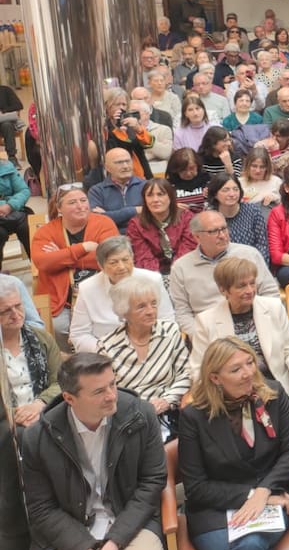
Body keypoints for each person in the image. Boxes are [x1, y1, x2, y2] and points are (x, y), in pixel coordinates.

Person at [20, 352, 166, 550]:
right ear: (69, 399)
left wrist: (115, 540)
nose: (112, 395)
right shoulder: (37, 439)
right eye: (99, 391)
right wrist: (84, 549)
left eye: (113, 383)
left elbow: (152, 482)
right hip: (68, 532)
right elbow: (41, 509)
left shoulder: (140, 414)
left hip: (129, 520)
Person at [178, 338, 289, 550]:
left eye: (250, 362)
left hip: (272, 501)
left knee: (249, 548)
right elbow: (196, 487)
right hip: (214, 512)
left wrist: (265, 491)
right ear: (215, 377)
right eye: (236, 369)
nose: (248, 372)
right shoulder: (193, 415)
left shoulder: (272, 393)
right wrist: (251, 495)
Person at [191, 257, 289, 410]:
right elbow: (199, 368)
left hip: (275, 388)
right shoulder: (206, 321)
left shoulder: (273, 307)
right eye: (241, 286)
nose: (250, 290)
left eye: (252, 283)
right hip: (231, 396)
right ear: (223, 290)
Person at [97, 274, 190, 436]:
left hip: (168, 412)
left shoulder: (170, 332)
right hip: (126, 417)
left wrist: (167, 400)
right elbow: (106, 389)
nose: (150, 311)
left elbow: (187, 373)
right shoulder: (107, 345)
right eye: (141, 306)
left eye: (153, 304)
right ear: (124, 311)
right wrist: (140, 409)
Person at [33, 184, 119, 346]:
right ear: (59, 208)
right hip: (62, 299)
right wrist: (83, 248)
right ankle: (73, 365)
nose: (80, 206)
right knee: (60, 328)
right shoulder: (45, 232)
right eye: (72, 202)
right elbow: (43, 263)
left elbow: (111, 256)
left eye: (83, 200)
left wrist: (62, 255)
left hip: (102, 291)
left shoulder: (104, 223)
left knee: (108, 323)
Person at [170, 211, 278, 336]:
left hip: (253, 325)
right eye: (213, 231)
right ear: (196, 237)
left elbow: (270, 293)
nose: (222, 235)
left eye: (224, 228)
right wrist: (200, 336)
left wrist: (264, 324)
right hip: (208, 331)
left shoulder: (248, 254)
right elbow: (182, 312)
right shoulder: (181, 267)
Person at [70, 235, 173, 354]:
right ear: (100, 266)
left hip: (150, 349)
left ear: (132, 258)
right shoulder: (87, 288)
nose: (122, 267)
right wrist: (103, 350)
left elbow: (167, 321)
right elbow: (79, 334)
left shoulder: (153, 280)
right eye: (113, 262)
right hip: (104, 354)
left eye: (125, 260)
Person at [0, 273, 62, 429]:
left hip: (45, 410)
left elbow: (61, 380)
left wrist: (39, 404)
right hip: (5, 423)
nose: (16, 315)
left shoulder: (41, 338)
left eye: (18, 306)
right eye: (6, 311)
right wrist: (16, 414)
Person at [207, 171, 270, 265]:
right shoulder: (209, 217)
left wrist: (255, 267)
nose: (232, 194)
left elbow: (262, 246)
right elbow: (209, 250)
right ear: (215, 194)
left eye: (235, 189)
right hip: (221, 268)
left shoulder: (253, 211)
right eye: (225, 190)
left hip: (252, 266)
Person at [88, 147, 146, 233]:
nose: (125, 166)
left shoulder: (146, 186)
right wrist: (134, 210)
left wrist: (108, 215)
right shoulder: (97, 191)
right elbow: (98, 221)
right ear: (107, 167)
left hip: (143, 235)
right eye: (119, 162)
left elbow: (152, 215)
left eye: (128, 161)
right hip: (113, 239)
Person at [0, 150, 30, 271]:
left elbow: (24, 190)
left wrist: (9, 206)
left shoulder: (6, 167)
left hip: (14, 211)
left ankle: (41, 270)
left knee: (28, 228)